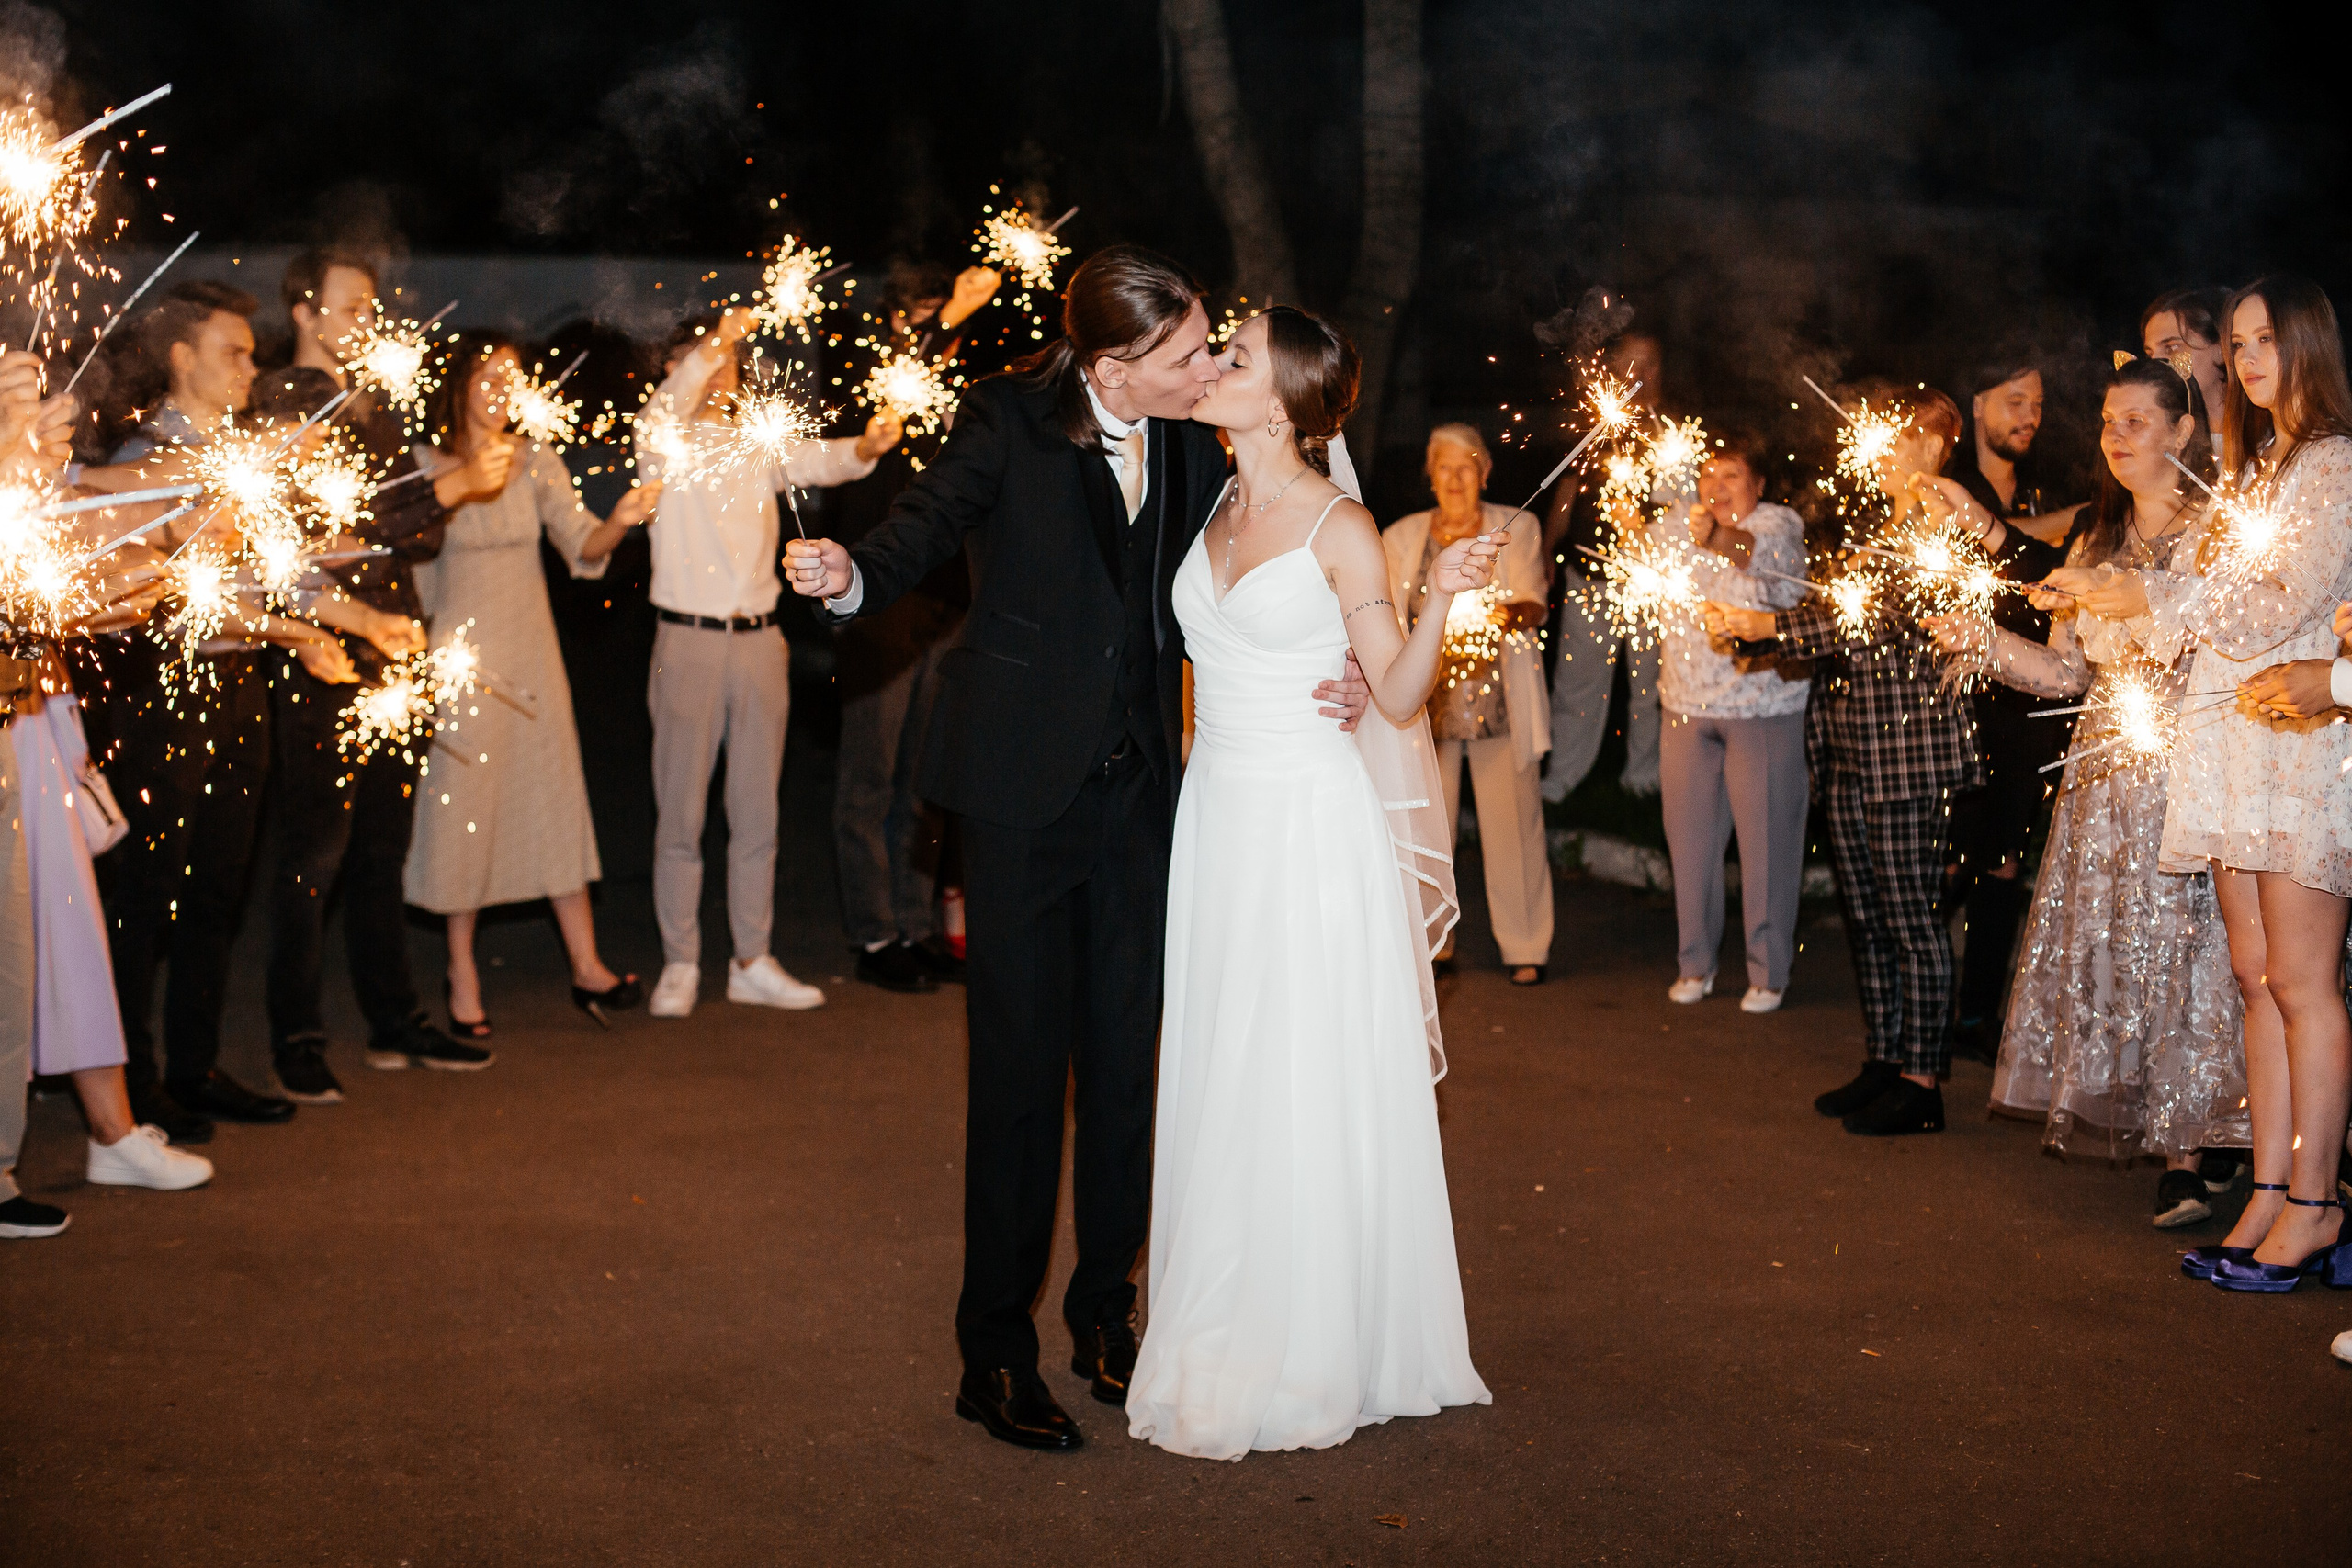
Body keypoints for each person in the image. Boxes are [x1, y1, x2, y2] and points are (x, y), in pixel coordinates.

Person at [782, 247, 1371, 1452]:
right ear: (1112, 366)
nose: (1206, 367)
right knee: (1016, 1078)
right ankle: (993, 1354)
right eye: (1186, 354)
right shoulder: (1005, 418)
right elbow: (920, 527)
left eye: (1210, 348)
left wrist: (1343, 662)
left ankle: (1107, 1314)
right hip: (1016, 803)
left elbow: (1263, 562)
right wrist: (848, 577)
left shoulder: (1195, 436)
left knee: (1122, 1069)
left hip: (1146, 802)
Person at [1125, 304, 1493, 1459]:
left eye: (1232, 358)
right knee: (1220, 1058)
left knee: (1290, 1066)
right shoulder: (1210, 495)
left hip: (1303, 821)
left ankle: (1311, 1341)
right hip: (1216, 816)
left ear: (1283, 401)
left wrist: (1441, 594)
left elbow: (1395, 693)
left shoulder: (1343, 525)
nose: (1210, 366)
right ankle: (1218, 1313)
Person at [2051, 276, 2352, 1292]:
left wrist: (2147, 590)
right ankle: (2268, 1189)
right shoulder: (2258, 467)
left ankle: (2317, 1202)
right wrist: (2115, 593)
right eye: (2241, 340)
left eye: (2268, 339)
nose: (2251, 357)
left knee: (2303, 984)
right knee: (2255, 979)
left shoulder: (2333, 463)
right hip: (2231, 744)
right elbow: (2202, 602)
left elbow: (2276, 602)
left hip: (2297, 748)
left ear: (2309, 345)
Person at [1928, 357, 2247, 1223]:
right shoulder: (2098, 539)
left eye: (2136, 420)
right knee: (2124, 950)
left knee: (2190, 953)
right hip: (2105, 778)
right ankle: (2153, 1121)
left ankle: (2190, 1150)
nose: (2116, 436)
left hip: (2189, 767)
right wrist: (1984, 642)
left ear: (2184, 430)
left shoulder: (2218, 534)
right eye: (2108, 420)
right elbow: (2067, 671)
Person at [263, 247, 516, 1100]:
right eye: (352, 307)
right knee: (315, 856)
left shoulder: (367, 406)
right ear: (305, 311)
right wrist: (445, 492)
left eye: (372, 307)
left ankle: (394, 1017)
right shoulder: (286, 402)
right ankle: (297, 1037)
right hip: (323, 651)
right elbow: (330, 526)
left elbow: (419, 535)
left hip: (395, 649)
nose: (368, 322)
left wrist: (432, 502)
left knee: (382, 850)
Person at [1704, 387, 1984, 1136]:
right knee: (1867, 915)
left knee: (1912, 918)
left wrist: (1768, 626)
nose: (1878, 451)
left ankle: (1922, 1082)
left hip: (1908, 754)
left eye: (1894, 438)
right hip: (1853, 747)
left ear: (1934, 445)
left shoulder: (1941, 525)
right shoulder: (1884, 523)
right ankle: (1885, 1059)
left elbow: (1874, 619)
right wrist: (1766, 624)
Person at [82, 281, 304, 1141]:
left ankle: (196, 1064)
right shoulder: (150, 459)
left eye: (253, 352)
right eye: (232, 352)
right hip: (166, 689)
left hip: (240, 677)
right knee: (149, 890)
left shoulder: (241, 455)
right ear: (182, 357)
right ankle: (131, 1083)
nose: (251, 367)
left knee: (218, 883)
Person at [633, 307, 900, 1020]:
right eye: (706, 357)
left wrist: (868, 445)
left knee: (757, 812)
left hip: (759, 640)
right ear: (675, 369)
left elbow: (820, 459)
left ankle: (752, 959)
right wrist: (717, 338)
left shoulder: (753, 444)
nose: (723, 368)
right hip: (687, 640)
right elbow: (665, 405)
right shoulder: (661, 440)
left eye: (730, 359)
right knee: (681, 814)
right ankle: (681, 960)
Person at [405, 335, 659, 1035]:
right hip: (462, 659)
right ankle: (461, 969)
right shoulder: (427, 467)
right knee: (465, 808)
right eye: (487, 376)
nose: (500, 390)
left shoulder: (534, 458)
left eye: (510, 378)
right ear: (458, 385)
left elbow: (582, 543)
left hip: (533, 655)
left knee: (552, 795)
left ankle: (586, 963)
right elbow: (414, 569)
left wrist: (620, 520)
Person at [828, 261, 1001, 993]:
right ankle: (874, 933)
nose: (944, 330)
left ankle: (916, 924)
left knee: (925, 775)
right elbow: (904, 381)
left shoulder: (959, 394)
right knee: (870, 773)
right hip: (883, 603)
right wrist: (952, 314)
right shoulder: (878, 388)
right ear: (902, 322)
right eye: (926, 316)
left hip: (946, 602)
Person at [1382, 423, 1554, 985]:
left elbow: (1534, 601)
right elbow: (1384, 614)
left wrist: (1505, 614)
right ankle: (1430, 939)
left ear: (1485, 473)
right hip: (1425, 706)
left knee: (1514, 825)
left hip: (1499, 702)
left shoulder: (1517, 525)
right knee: (1426, 827)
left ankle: (1526, 943)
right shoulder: (1400, 536)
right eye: (1444, 467)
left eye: (1466, 466)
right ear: (1430, 474)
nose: (1455, 479)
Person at [1941, 361, 2074, 1065]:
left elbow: (2049, 559)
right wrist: (2064, 526)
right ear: (1979, 402)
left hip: (2031, 697)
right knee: (1954, 855)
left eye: (2039, 403)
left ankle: (1976, 1014)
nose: (2029, 415)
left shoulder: (2041, 485)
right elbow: (1997, 546)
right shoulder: (1951, 478)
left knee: (2004, 858)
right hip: (1965, 694)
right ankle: (1921, 1002)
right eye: (2015, 400)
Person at [1655, 432, 1810, 1013]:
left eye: (1732, 475)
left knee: (1766, 845)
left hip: (1761, 709)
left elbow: (1770, 562)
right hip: (1684, 706)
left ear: (1759, 484)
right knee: (1690, 844)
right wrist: (1626, 520)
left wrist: (1716, 537)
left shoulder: (1778, 525)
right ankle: (1694, 962)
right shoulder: (1681, 522)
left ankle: (1768, 971)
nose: (1716, 487)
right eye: (1708, 474)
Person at [1542, 332, 1664, 800]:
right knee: (1577, 680)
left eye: (1649, 364)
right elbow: (1568, 489)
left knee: (1649, 685)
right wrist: (1549, 549)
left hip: (1651, 583)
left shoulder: (1671, 435)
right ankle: (1564, 774)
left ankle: (1644, 778)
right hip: (1589, 577)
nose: (1640, 374)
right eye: (1631, 364)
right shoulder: (1597, 426)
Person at [2142, 288, 2233, 456]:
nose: (2156, 364)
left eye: (2172, 347)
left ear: (2222, 348)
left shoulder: (2272, 439)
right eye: (2150, 354)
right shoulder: (2156, 441)